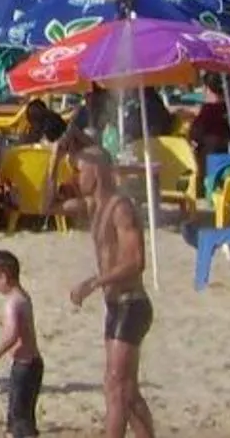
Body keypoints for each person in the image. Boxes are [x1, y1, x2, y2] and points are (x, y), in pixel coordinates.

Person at [67, 144, 156, 438]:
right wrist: (55, 157)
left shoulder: (121, 208)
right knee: (123, 389)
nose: (77, 179)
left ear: (98, 172)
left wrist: (94, 282)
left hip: (132, 304)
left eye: (80, 171)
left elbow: (136, 262)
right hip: (116, 305)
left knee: (117, 387)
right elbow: (45, 206)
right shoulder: (96, 206)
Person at [0, 246, 43, 438]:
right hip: (32, 364)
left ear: (3, 277)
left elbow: (11, 335)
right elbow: (15, 326)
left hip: (24, 365)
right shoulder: (22, 297)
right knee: (24, 416)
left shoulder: (12, 302)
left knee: (18, 419)